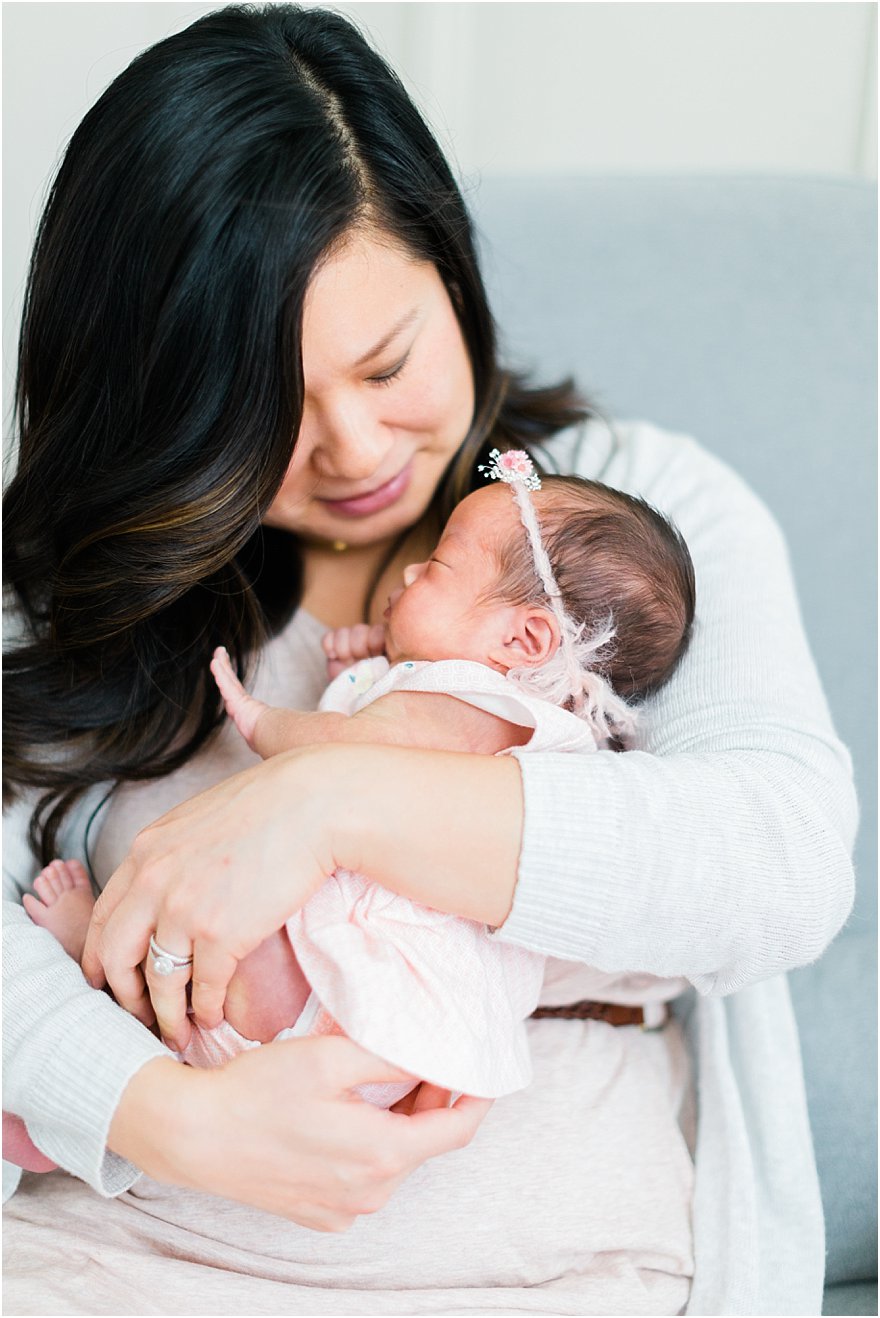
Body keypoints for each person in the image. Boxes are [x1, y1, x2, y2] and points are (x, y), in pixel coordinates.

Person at [2, 5, 855, 1315]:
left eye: (388, 361)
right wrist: (167, 1114)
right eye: (268, 414)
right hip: (118, 1267)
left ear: (451, 273)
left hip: (563, 1276)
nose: (355, 451)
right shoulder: (67, 588)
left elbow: (779, 862)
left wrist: (332, 796)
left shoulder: (630, 521)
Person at [9, 464, 696, 1150]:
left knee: (203, 913)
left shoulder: (468, 698)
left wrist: (260, 720)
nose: (408, 575)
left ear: (525, 641)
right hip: (387, 1037)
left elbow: (346, 750)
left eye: (437, 567)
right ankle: (87, 1117)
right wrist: (375, 664)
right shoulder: (544, 730)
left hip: (326, 984)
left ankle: (94, 959)